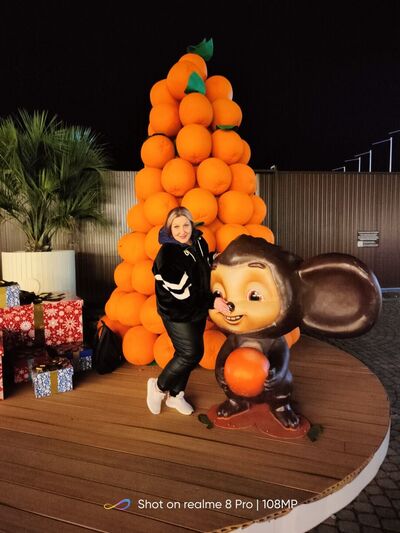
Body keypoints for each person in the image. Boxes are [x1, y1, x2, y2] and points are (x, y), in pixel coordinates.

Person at [147, 207, 230, 415]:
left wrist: (215, 259)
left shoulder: (198, 242)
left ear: (191, 225)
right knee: (190, 353)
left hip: (196, 309)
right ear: (169, 229)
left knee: (188, 354)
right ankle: (158, 387)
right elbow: (183, 293)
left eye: (185, 225)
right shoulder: (167, 255)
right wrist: (213, 302)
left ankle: (176, 396)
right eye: (176, 227)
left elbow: (200, 265)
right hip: (177, 311)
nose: (182, 231)